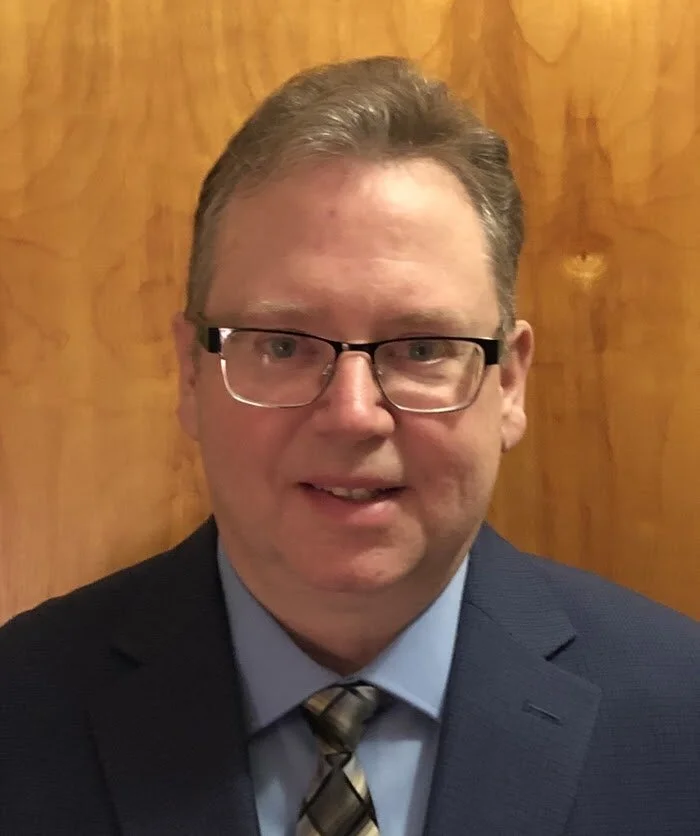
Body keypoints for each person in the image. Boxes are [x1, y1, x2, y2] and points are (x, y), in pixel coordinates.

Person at [1, 56, 699, 836]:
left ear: (509, 384)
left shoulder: (683, 720)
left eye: (423, 348)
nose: (354, 415)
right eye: (283, 345)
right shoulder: (19, 709)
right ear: (193, 375)